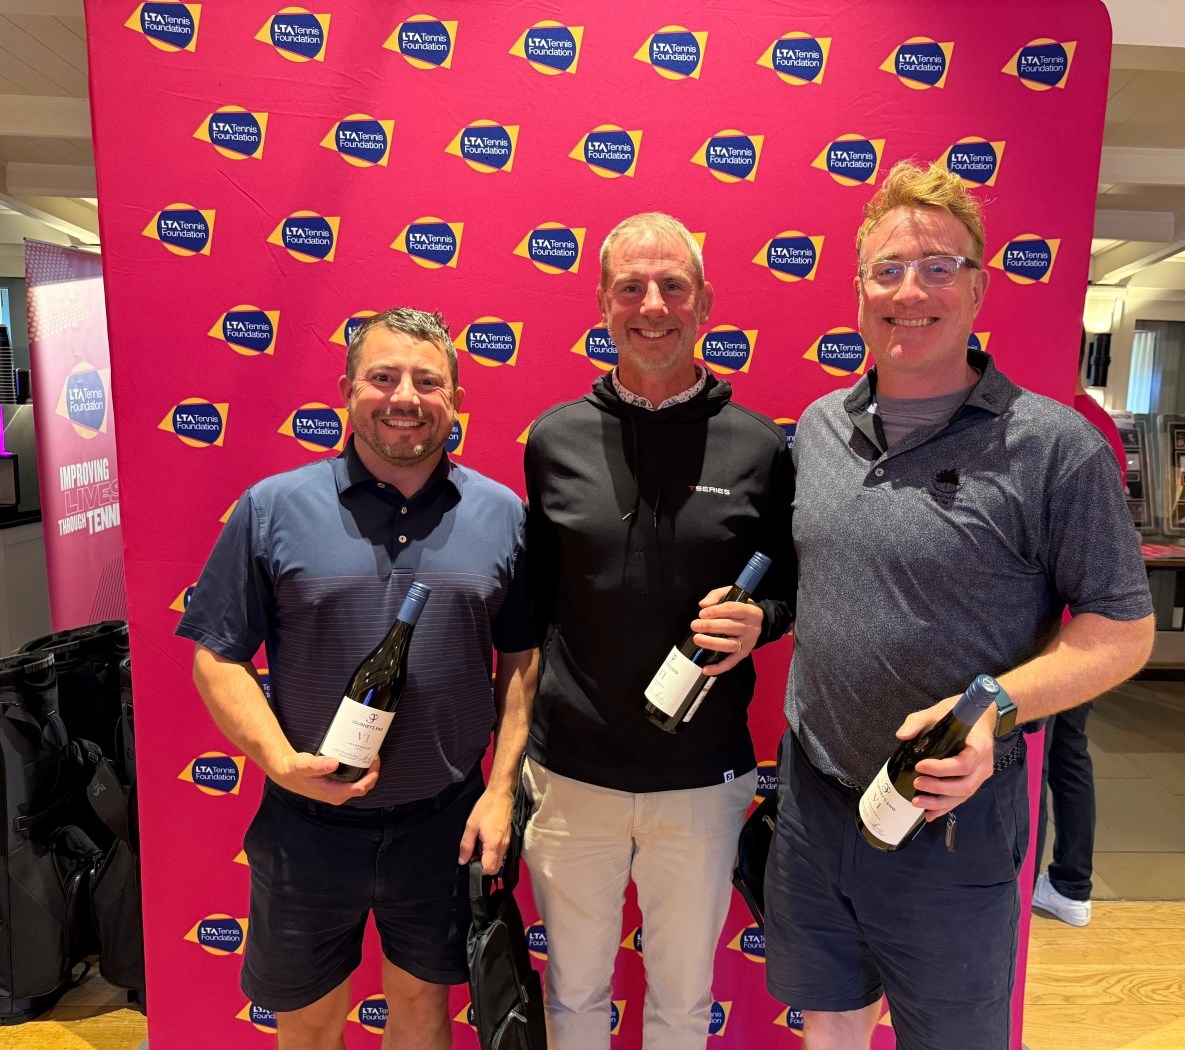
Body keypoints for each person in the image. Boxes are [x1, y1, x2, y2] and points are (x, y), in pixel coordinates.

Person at [763, 160, 1156, 1050]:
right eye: (889, 269)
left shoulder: (1055, 449)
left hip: (953, 820)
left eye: (940, 266)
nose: (912, 290)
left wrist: (997, 709)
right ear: (858, 290)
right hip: (817, 805)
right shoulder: (819, 429)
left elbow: (1122, 632)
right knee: (827, 1023)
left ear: (979, 288)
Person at [176, 308, 538, 1050]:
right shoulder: (272, 508)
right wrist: (281, 764)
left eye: (427, 381)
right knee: (308, 1025)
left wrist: (501, 790)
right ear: (346, 390)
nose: (405, 395)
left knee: (421, 1015)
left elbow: (523, 661)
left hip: (444, 825)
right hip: (305, 828)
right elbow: (216, 655)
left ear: (456, 400)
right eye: (383, 376)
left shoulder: (503, 516)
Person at [521, 212, 796, 1050]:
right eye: (631, 286)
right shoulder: (554, 439)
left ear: (704, 304)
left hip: (702, 782)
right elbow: (534, 610)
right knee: (574, 997)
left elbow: (792, 585)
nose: (653, 304)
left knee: (682, 1000)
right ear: (603, 304)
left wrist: (763, 620)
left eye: (673, 285)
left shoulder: (759, 447)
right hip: (573, 778)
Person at [1029, 378, 1130, 929]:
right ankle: (1072, 883)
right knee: (1066, 755)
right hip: (1085, 630)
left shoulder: (1054, 421)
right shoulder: (1102, 424)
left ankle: (1039, 888)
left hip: (1055, 629)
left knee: (1037, 759)